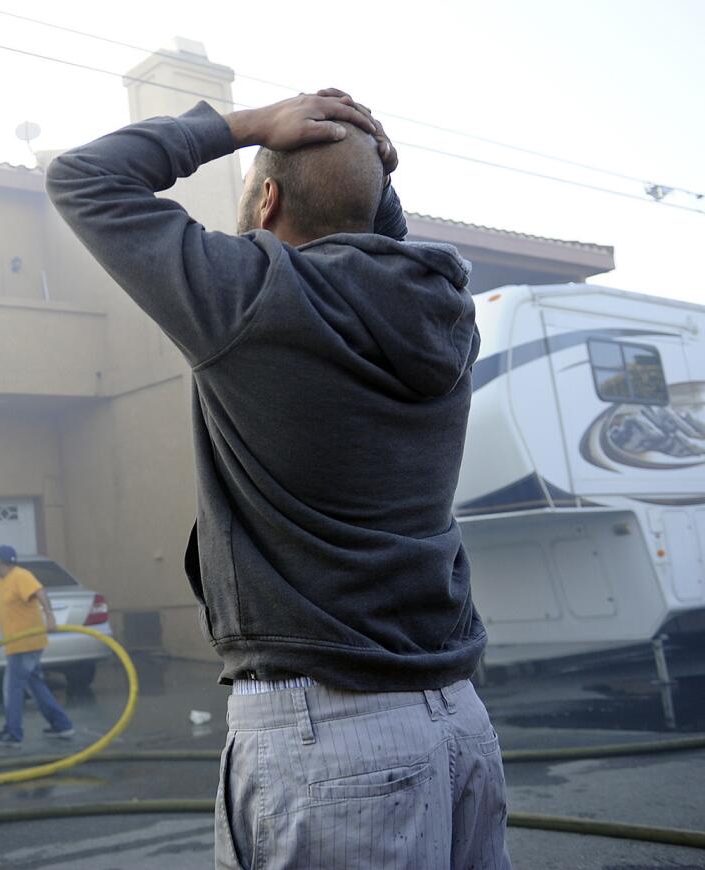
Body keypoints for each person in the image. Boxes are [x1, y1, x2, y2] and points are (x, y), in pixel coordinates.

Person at [47, 90, 509, 868]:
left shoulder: (249, 295)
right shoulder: (441, 308)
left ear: (265, 199)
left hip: (328, 737)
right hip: (458, 721)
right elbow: (370, 240)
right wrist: (364, 169)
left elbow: (84, 177)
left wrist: (252, 125)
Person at [0, 545, 74, 748]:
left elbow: (40, 592)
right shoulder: (1, 583)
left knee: (12, 688)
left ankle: (13, 734)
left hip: (26, 644)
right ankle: (62, 725)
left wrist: (49, 615)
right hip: (18, 644)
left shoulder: (20, 576)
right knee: (36, 686)